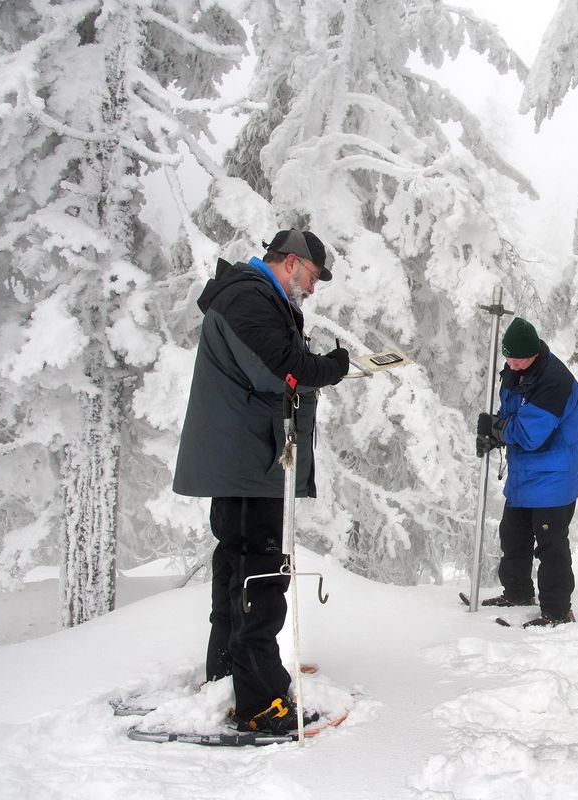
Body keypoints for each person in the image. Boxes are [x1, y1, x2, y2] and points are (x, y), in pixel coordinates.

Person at [173, 229, 349, 735]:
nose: (313, 290)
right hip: (249, 459)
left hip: (244, 457)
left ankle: (227, 672)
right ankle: (262, 700)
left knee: (237, 567)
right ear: (291, 263)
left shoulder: (251, 296)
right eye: (312, 277)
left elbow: (273, 364)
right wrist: (330, 368)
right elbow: (285, 370)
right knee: (260, 574)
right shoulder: (248, 297)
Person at [476, 317, 578, 627]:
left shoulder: (556, 381)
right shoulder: (514, 372)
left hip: (554, 477)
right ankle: (519, 592)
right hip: (526, 475)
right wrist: (493, 433)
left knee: (550, 545)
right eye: (507, 356)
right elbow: (512, 418)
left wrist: (497, 430)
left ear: (534, 353)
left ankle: (557, 610)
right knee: (513, 534)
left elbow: (530, 433)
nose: (510, 363)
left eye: (517, 357)